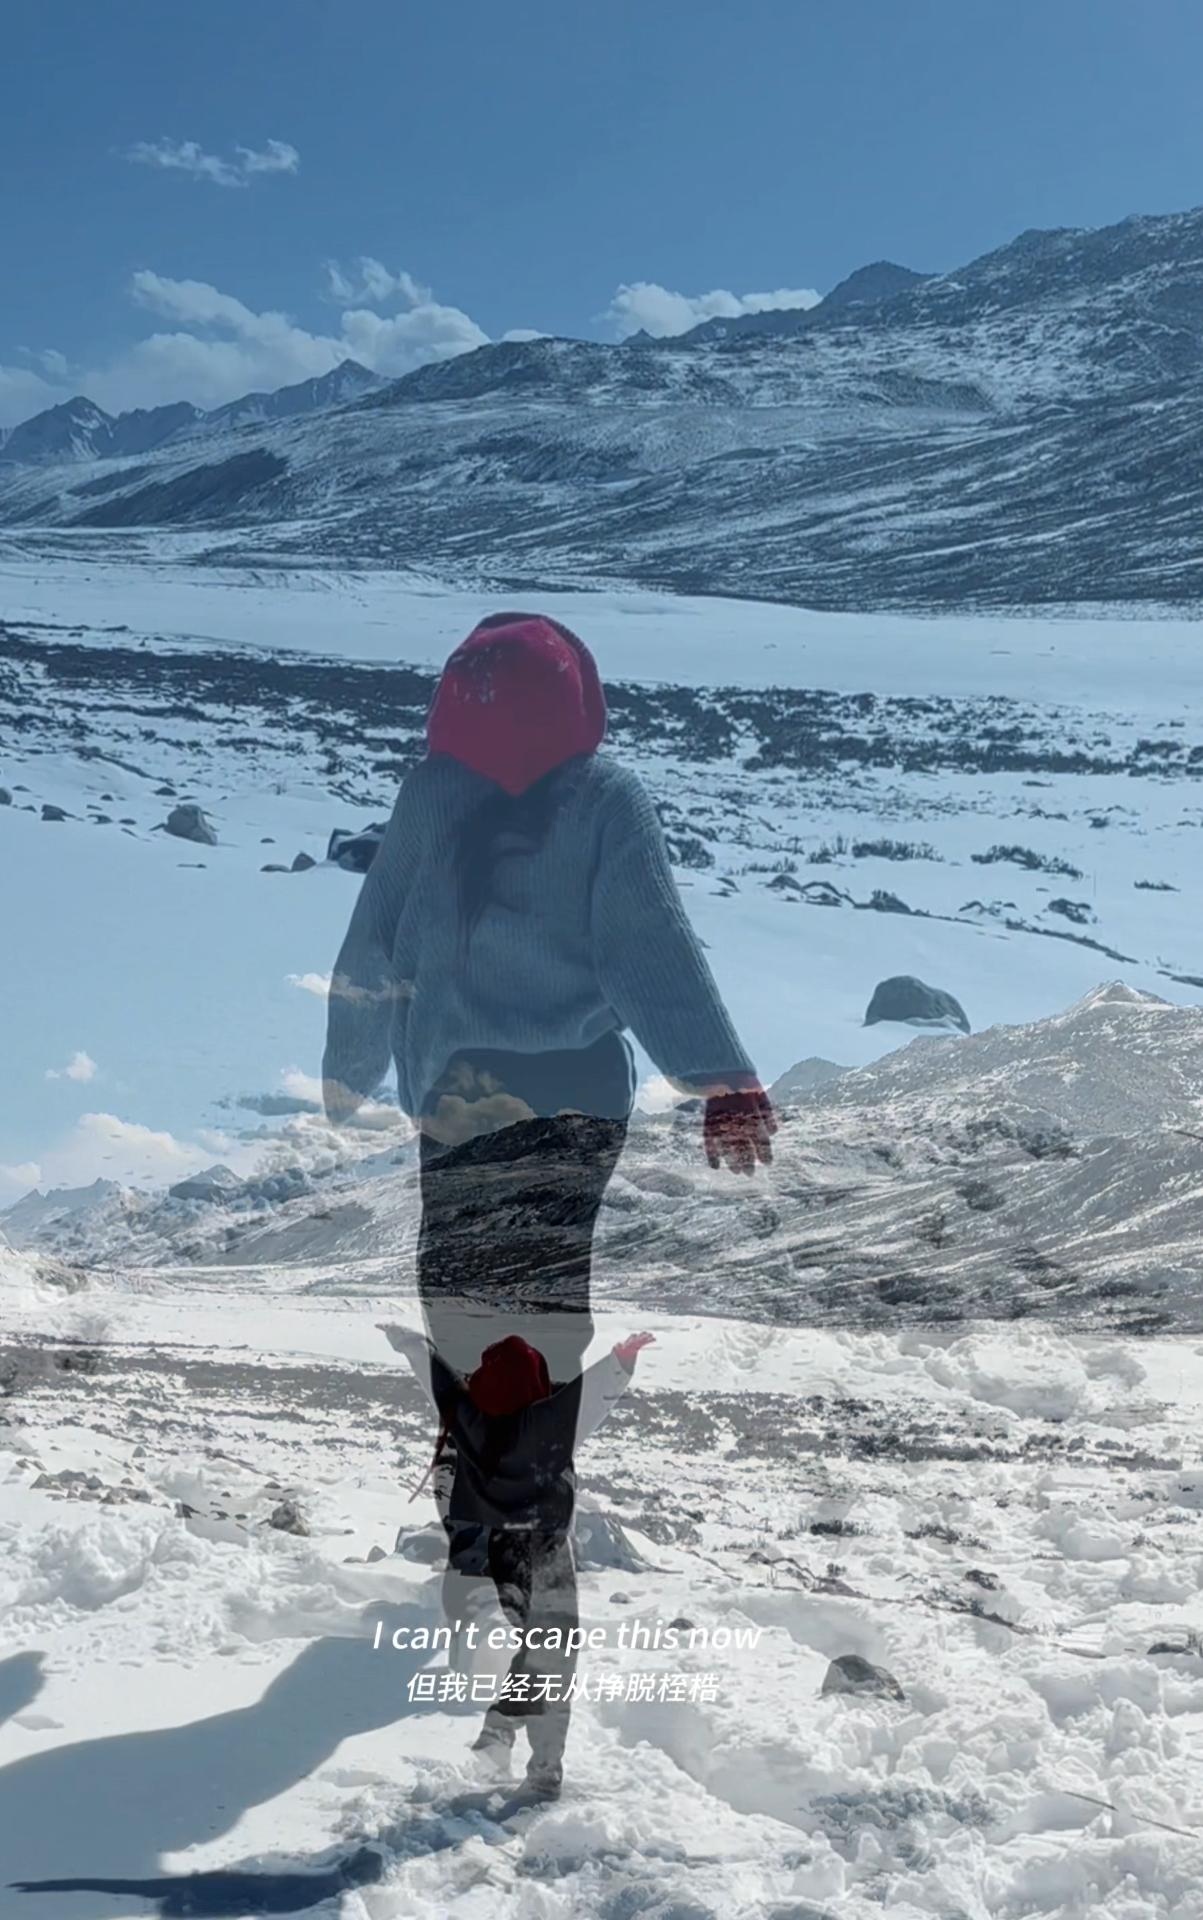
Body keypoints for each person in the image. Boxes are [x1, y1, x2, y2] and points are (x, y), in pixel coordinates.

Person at [324, 611, 772, 1784]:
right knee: (533, 1325)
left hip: (460, 1106)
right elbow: (649, 949)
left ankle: (504, 1542)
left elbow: (375, 941)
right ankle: (515, 1537)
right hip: (572, 1107)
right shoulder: (602, 796)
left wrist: (347, 1066)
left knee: (469, 1324)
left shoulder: (432, 795)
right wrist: (721, 1077)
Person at [377, 1321, 655, 1798]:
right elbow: (589, 1398)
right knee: (555, 1655)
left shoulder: (472, 1420)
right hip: (544, 1551)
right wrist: (620, 1363)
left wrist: (411, 1344)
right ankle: (536, 1761)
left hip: (498, 1550)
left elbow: (440, 1384)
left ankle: (506, 1738)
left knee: (540, 1648)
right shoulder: (546, 1421)